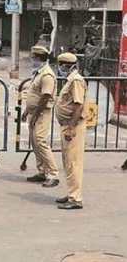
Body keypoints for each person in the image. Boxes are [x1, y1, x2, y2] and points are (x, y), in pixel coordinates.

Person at [23, 45, 60, 188]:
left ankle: (53, 173)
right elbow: (34, 94)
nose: (32, 60)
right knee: (34, 142)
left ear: (39, 58)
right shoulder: (38, 72)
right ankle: (42, 171)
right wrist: (27, 111)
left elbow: (45, 97)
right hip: (34, 112)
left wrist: (36, 114)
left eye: (34, 57)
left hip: (42, 113)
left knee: (40, 141)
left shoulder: (47, 75)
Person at [54, 53, 87, 210]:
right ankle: (71, 193)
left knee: (73, 162)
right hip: (67, 124)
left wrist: (71, 128)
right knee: (68, 162)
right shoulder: (71, 80)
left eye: (62, 65)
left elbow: (78, 105)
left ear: (69, 66)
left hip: (73, 126)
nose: (60, 68)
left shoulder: (76, 81)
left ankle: (76, 198)